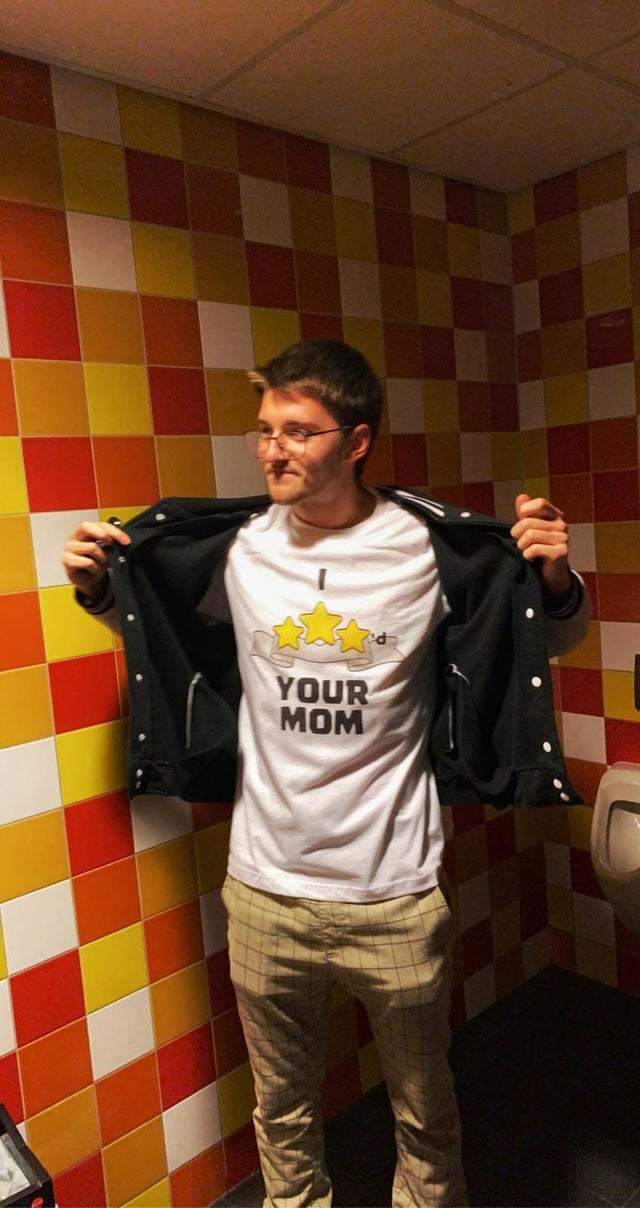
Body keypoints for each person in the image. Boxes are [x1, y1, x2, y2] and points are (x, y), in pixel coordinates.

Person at [62, 339, 589, 1208]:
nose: (273, 449)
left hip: (393, 892)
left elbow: (540, 637)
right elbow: (159, 627)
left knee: (425, 1110)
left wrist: (555, 578)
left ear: (357, 442)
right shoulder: (235, 549)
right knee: (282, 1113)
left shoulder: (427, 548)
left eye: (298, 432)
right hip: (264, 891)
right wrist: (98, 585)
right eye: (265, 429)